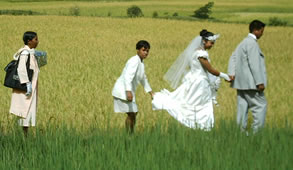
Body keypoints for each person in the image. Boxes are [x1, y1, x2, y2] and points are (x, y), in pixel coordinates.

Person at [152, 29, 231, 131]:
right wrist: (226, 76)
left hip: (194, 80)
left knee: (195, 105)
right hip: (200, 83)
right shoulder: (201, 54)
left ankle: (201, 127)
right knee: (201, 106)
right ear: (204, 41)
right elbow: (210, 70)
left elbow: (192, 67)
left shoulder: (194, 52)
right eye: (211, 43)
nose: (212, 45)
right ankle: (203, 127)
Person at [227, 20, 267, 133]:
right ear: (256, 30)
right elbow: (254, 64)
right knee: (260, 106)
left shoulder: (242, 43)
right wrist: (259, 82)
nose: (262, 34)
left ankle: (240, 133)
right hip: (251, 84)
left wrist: (231, 74)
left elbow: (232, 57)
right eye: (261, 31)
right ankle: (256, 134)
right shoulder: (252, 43)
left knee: (242, 108)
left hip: (240, 83)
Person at [112, 40, 154, 133]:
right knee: (132, 113)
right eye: (144, 50)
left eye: (147, 51)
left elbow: (143, 79)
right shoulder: (134, 61)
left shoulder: (141, 63)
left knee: (133, 113)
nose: (146, 53)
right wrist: (128, 92)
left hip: (127, 91)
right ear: (138, 50)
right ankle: (129, 134)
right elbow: (127, 76)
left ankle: (130, 133)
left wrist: (151, 92)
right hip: (123, 91)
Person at [9, 31, 42, 136]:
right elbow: (21, 69)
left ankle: (26, 135)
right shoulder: (25, 53)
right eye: (35, 39)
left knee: (27, 111)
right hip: (25, 88)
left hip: (31, 87)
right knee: (25, 111)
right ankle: (24, 136)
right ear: (29, 41)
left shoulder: (31, 53)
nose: (37, 41)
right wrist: (27, 84)